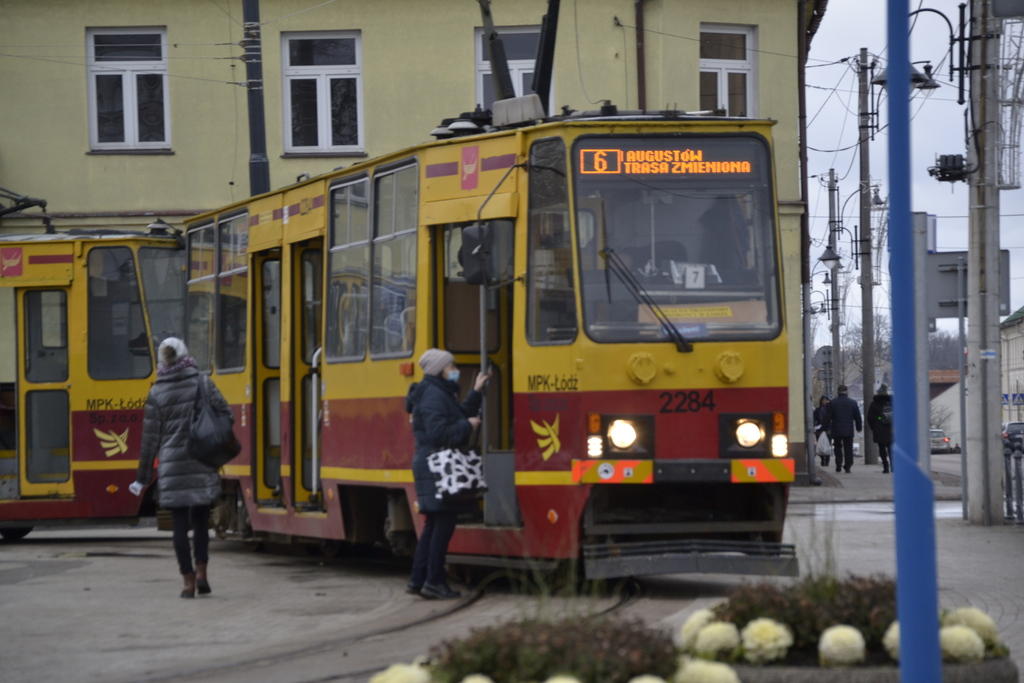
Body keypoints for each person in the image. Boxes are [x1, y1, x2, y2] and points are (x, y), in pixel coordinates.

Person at [129, 338, 226, 598]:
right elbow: (225, 413)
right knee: (201, 521)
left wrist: (142, 477)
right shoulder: (202, 382)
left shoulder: (156, 392)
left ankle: (188, 582)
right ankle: (203, 572)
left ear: (163, 360)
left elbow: (149, 440)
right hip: (201, 458)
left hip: (172, 465)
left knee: (180, 525)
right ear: (186, 354)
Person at [405, 348, 488, 600]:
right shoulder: (433, 396)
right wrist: (467, 426)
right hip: (437, 466)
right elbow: (439, 433)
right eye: (451, 366)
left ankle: (419, 580)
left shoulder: (438, 392)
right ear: (439, 369)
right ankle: (434, 582)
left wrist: (475, 392)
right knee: (442, 526)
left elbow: (457, 416)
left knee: (434, 526)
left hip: (432, 464)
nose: (455, 370)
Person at [828, 384, 862, 473]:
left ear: (838, 391)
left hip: (836, 428)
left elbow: (828, 417)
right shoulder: (853, 403)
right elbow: (857, 417)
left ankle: (838, 465)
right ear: (847, 391)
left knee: (837, 447)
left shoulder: (833, 402)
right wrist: (859, 427)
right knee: (848, 448)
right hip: (848, 429)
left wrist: (826, 428)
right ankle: (848, 466)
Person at [866, 384, 894, 473]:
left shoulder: (874, 403)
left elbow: (870, 418)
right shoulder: (892, 402)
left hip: (879, 429)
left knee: (882, 450)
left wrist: (875, 425)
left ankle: (885, 467)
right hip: (891, 429)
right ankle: (893, 467)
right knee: (891, 449)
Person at [812, 396, 832, 467]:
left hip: (828, 430)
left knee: (827, 445)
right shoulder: (817, 410)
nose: (824, 402)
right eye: (823, 400)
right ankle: (822, 458)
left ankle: (827, 459)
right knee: (820, 444)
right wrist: (816, 425)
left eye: (826, 400)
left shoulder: (830, 409)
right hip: (819, 430)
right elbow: (814, 419)